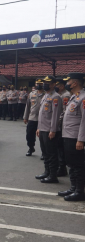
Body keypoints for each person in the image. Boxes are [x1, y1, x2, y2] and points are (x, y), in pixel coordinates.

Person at [58, 73, 85, 201]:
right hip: (68, 135)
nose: (67, 83)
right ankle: (73, 187)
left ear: (74, 83)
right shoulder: (74, 97)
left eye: (68, 81)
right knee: (70, 163)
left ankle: (79, 191)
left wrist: (81, 139)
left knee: (77, 165)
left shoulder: (83, 98)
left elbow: (84, 121)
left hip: (75, 137)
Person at [36, 76, 63, 183]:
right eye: (44, 82)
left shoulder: (56, 97)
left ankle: (53, 175)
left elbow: (56, 116)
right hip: (42, 129)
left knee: (52, 154)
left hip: (49, 130)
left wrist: (53, 130)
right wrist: (38, 128)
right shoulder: (45, 95)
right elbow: (41, 115)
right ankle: (46, 172)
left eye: (47, 83)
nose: (44, 84)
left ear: (53, 84)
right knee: (45, 152)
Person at [23, 79, 45, 158]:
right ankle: (31, 148)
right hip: (32, 117)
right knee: (29, 135)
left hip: (43, 119)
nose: (38, 85)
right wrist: (25, 117)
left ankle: (44, 152)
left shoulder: (46, 94)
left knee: (43, 137)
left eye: (40, 84)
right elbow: (27, 106)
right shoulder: (32, 94)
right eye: (37, 84)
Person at [55, 79, 71, 177]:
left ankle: (62, 168)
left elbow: (64, 112)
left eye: (57, 85)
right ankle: (61, 167)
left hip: (63, 126)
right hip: (62, 125)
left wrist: (57, 123)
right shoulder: (62, 95)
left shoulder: (65, 96)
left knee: (60, 148)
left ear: (61, 86)